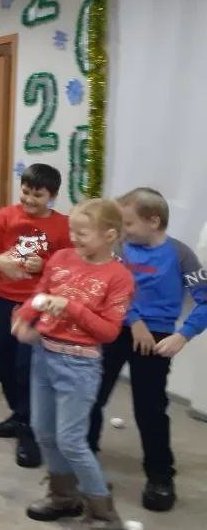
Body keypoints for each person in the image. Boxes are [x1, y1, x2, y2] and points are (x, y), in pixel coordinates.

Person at [12, 198, 133, 530]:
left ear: (109, 235)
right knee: (43, 431)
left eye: (83, 233)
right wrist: (25, 318)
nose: (74, 239)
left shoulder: (119, 277)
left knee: (71, 440)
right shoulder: (62, 258)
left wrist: (72, 308)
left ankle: (106, 518)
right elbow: (40, 294)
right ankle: (63, 496)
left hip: (79, 366)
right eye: (72, 232)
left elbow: (108, 331)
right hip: (44, 356)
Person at [87, 188, 207, 512]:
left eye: (128, 223)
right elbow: (110, 289)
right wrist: (134, 320)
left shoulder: (181, 255)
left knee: (150, 409)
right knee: (92, 396)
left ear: (153, 221)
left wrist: (183, 335)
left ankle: (160, 477)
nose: (122, 230)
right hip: (115, 328)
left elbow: (205, 301)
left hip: (155, 339)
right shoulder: (119, 250)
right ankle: (84, 461)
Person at [0, 163, 72, 468]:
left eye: (37, 195)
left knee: (27, 367)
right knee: (1, 362)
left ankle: (30, 431)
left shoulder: (63, 226)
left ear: (52, 196)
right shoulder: (4, 217)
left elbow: (71, 266)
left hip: (40, 305)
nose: (29, 199)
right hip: (4, 301)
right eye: (25, 191)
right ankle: (20, 415)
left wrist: (44, 266)